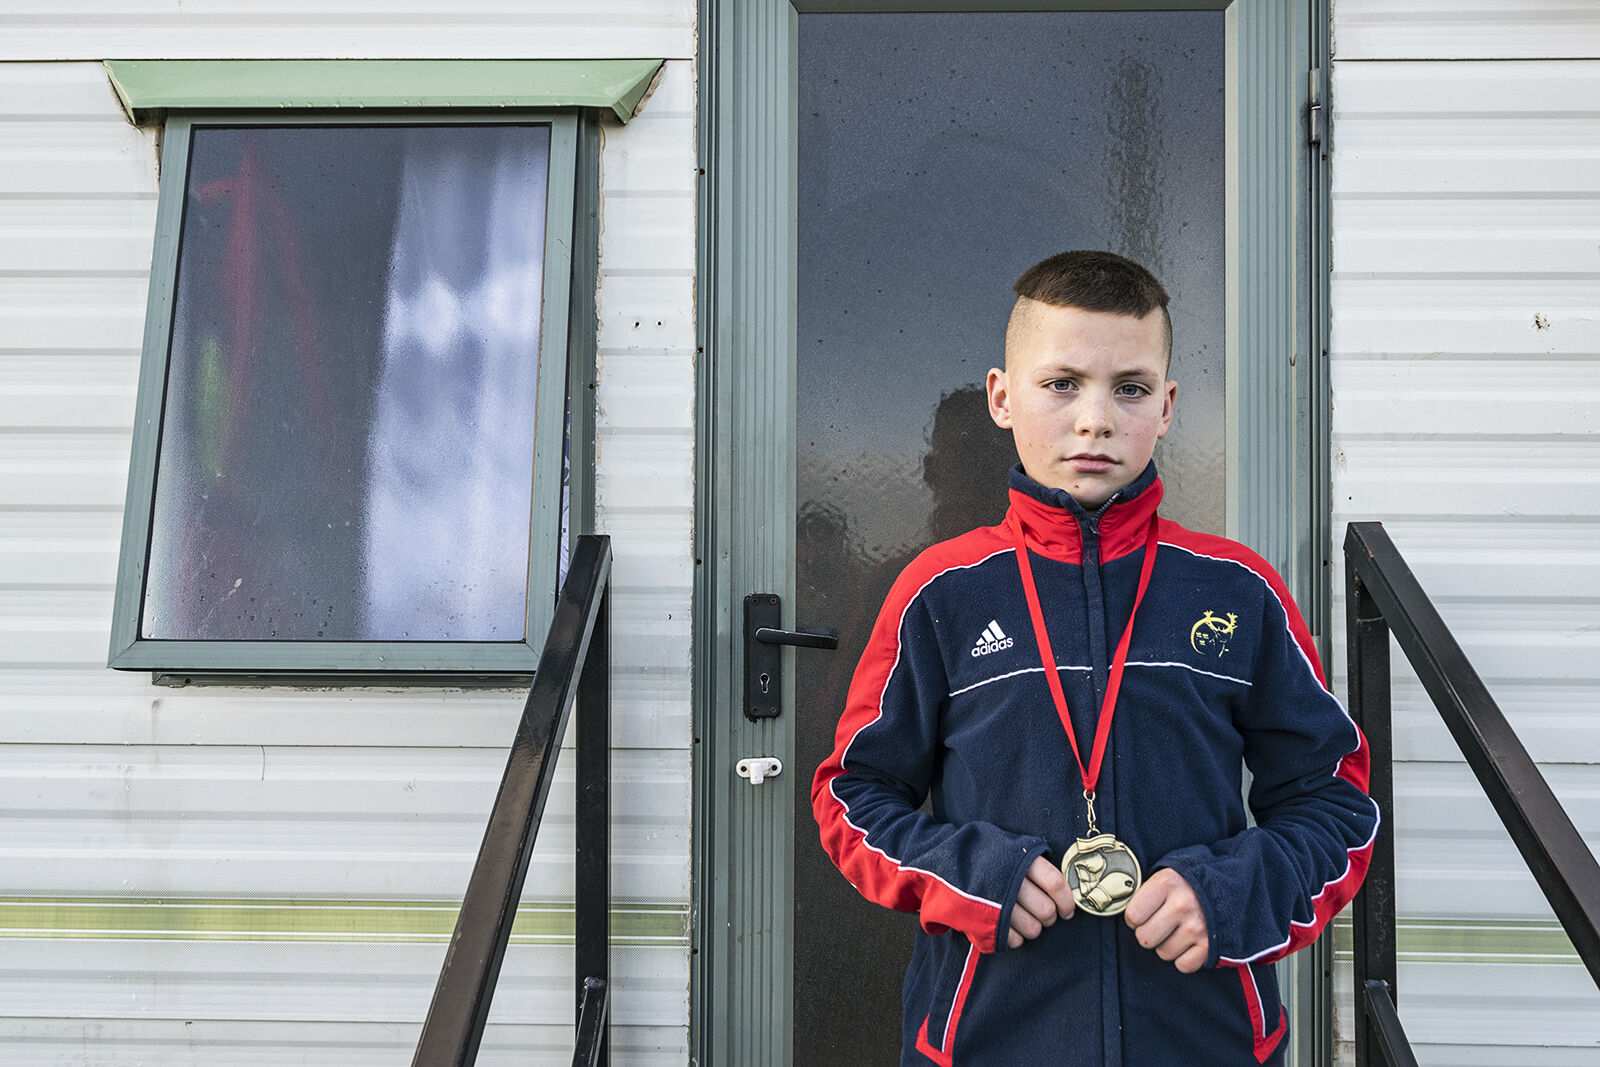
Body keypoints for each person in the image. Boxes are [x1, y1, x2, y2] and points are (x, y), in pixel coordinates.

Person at [811, 251, 1379, 1065]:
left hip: (1205, 1038)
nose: (1095, 420)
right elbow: (853, 797)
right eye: (1062, 383)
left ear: (1168, 405)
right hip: (988, 1040)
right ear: (1002, 397)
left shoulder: (1239, 589)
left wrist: (1226, 893)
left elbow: (1335, 804)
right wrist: (974, 875)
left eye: (1131, 388)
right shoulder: (939, 593)